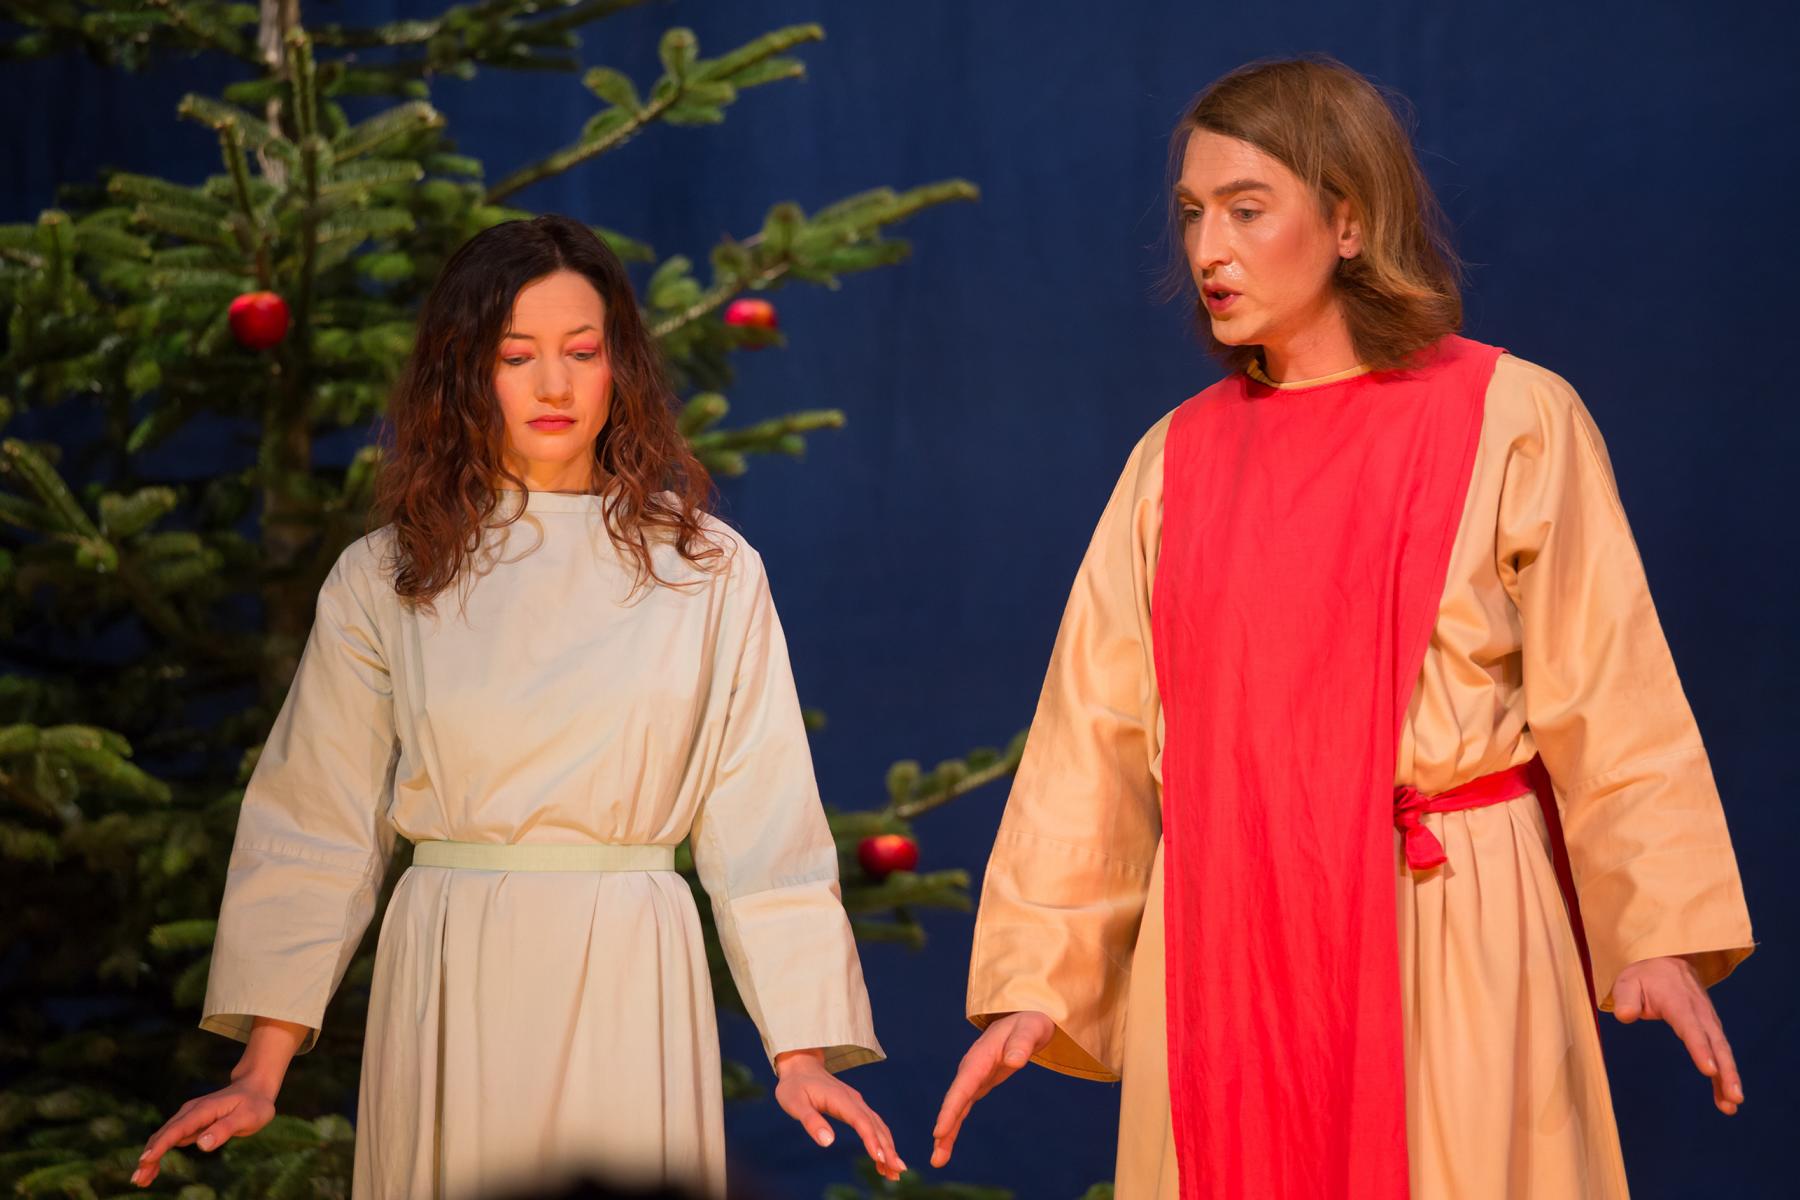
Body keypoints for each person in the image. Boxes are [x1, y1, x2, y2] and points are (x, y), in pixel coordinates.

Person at [933, 57, 1754, 1199]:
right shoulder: (1173, 463)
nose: (1208, 248)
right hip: (1229, 940)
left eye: (1247, 209)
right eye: (1192, 213)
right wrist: (1038, 978)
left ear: (1350, 220)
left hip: (1445, 923)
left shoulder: (1512, 417)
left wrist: (1654, 927)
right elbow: (1092, 742)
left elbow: (1613, 694)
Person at [133, 214, 904, 1198]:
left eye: (581, 352)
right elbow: (317, 820)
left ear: (620, 367)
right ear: (465, 370)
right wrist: (260, 1066)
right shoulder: (389, 574)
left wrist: (802, 1052)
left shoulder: (708, 571)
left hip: (634, 968)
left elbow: (767, 828)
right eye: (515, 355)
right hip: (452, 972)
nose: (553, 386)